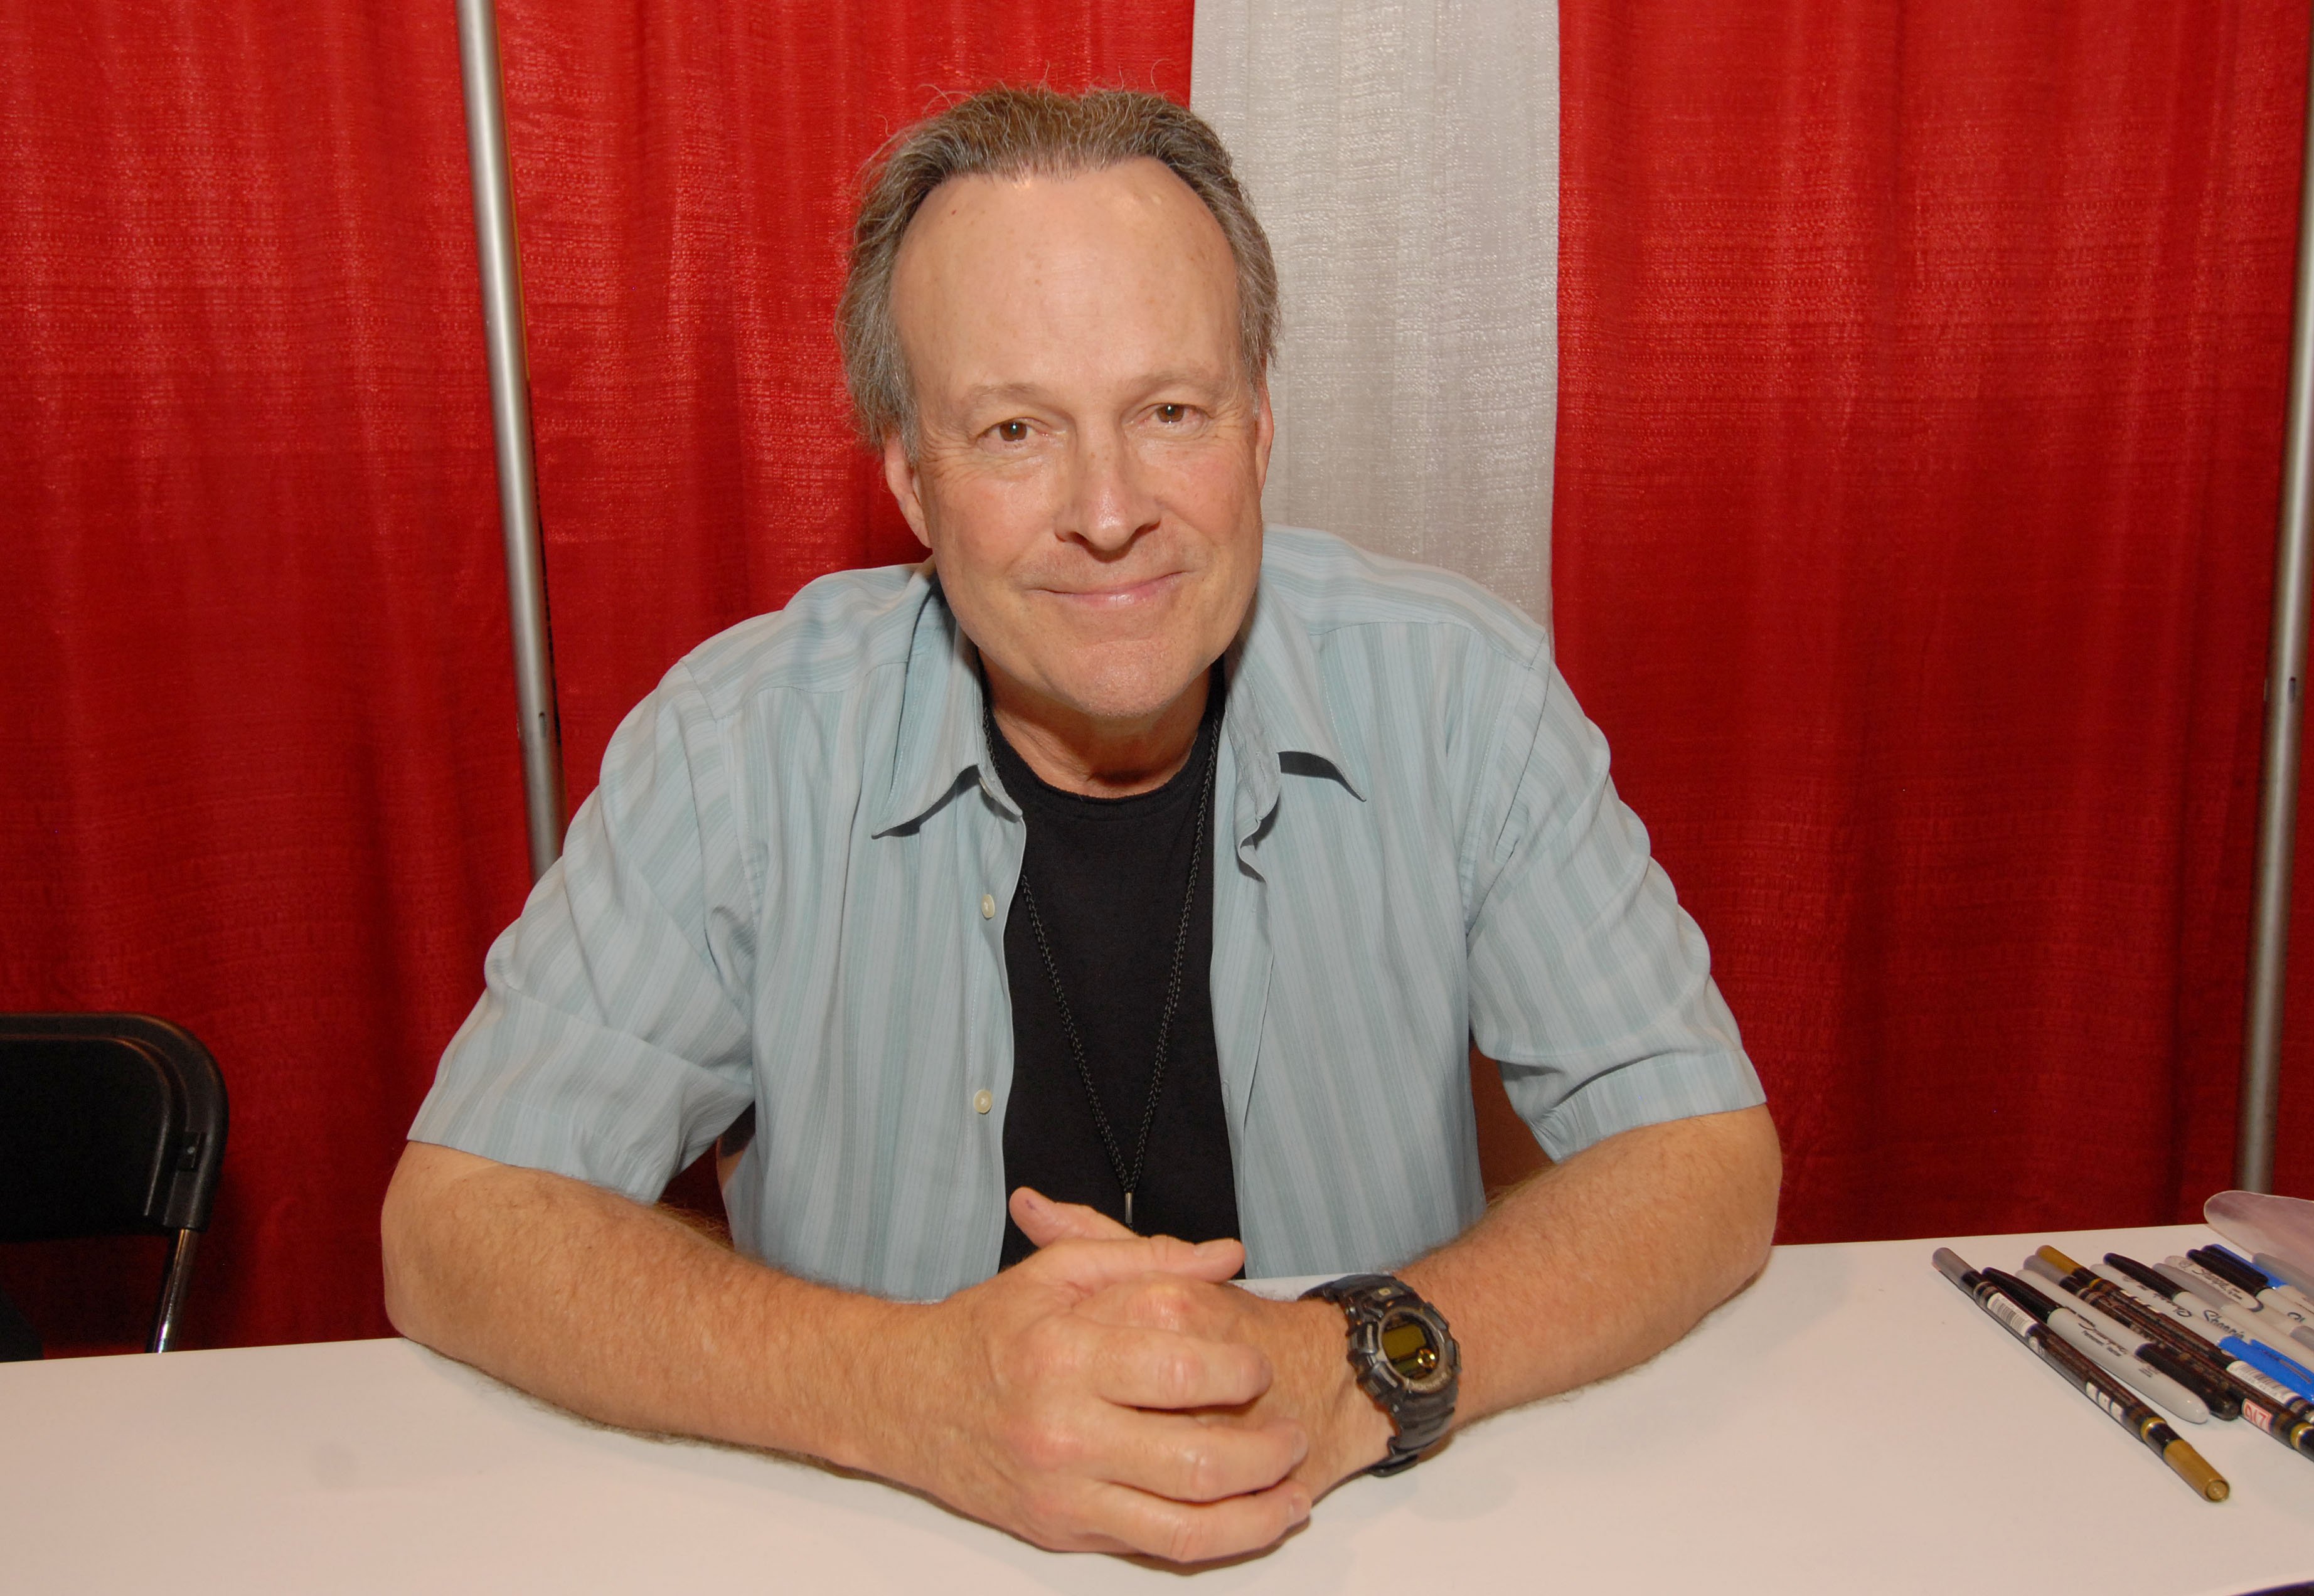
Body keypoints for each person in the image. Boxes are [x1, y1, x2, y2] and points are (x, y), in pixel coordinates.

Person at [381, 85, 1779, 1564]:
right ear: (912, 482)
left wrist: (1353, 1361)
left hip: (1383, 1537)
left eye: (1167, 412)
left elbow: (1701, 1157)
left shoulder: (1461, 696)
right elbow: (459, 1225)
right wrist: (906, 1391)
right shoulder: (737, 748)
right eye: (1013, 430)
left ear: (1255, 429)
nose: (1108, 510)